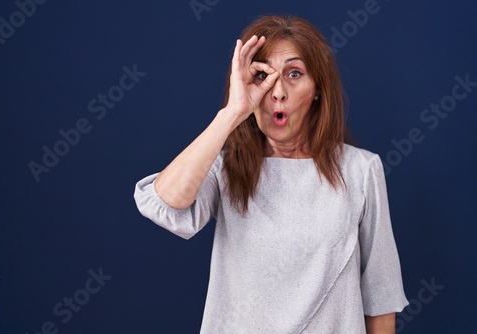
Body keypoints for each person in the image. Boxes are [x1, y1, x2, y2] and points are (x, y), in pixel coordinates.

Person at [134, 14, 408, 333]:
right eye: (263, 75)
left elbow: (380, 296)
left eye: (294, 73)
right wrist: (232, 113)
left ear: (317, 89)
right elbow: (164, 204)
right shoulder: (227, 167)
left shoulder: (360, 170)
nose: (277, 91)